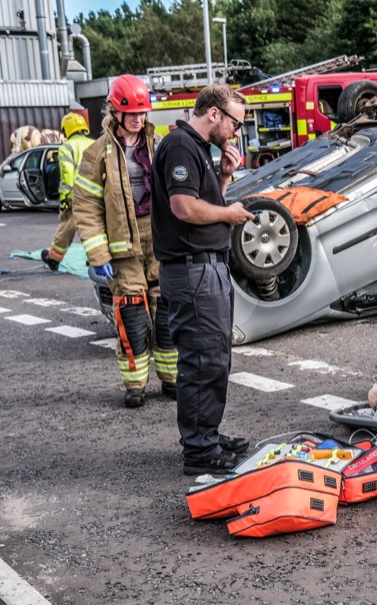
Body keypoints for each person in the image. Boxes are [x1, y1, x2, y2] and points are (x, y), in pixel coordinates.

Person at [150, 83, 255, 476]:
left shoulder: (196, 150)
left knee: (213, 359)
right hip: (193, 270)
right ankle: (199, 452)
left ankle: (205, 435)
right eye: (235, 122)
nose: (236, 131)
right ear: (214, 114)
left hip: (205, 267)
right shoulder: (180, 146)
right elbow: (184, 207)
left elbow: (201, 202)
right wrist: (231, 214)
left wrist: (224, 179)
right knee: (203, 360)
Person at [73, 75, 177, 409]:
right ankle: (135, 386)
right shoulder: (96, 154)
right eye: (131, 113)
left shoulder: (158, 145)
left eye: (143, 112)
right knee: (132, 317)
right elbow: (86, 207)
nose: (138, 119)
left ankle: (172, 379)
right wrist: (96, 251)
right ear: (115, 112)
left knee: (167, 313)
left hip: (158, 241)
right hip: (123, 249)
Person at [41, 112, 95, 272]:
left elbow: (67, 174)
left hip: (76, 196)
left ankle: (54, 259)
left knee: (67, 226)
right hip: (96, 195)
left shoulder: (67, 147)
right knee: (95, 226)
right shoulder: (95, 143)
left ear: (67, 130)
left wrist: (64, 197)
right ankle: (94, 259)